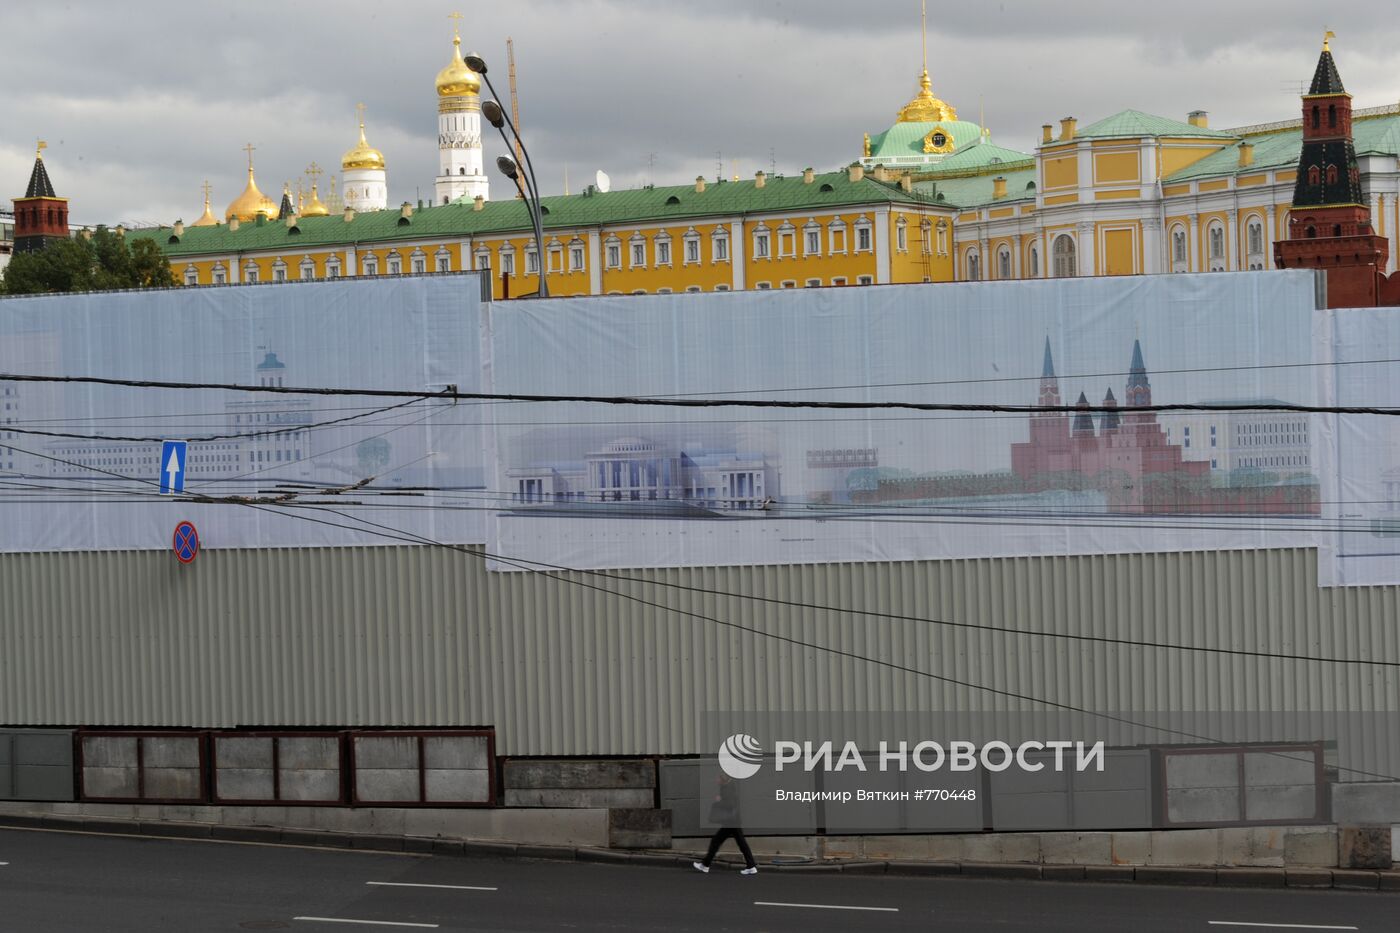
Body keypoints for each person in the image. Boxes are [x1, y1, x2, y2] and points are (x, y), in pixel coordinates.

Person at [693, 772, 758, 874]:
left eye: (718, 778)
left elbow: (730, 804)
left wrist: (719, 801)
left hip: (731, 822)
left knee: (717, 841)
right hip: (732, 821)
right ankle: (751, 865)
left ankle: (705, 865)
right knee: (739, 843)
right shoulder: (728, 786)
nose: (716, 780)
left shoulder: (727, 789)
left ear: (723, 779)